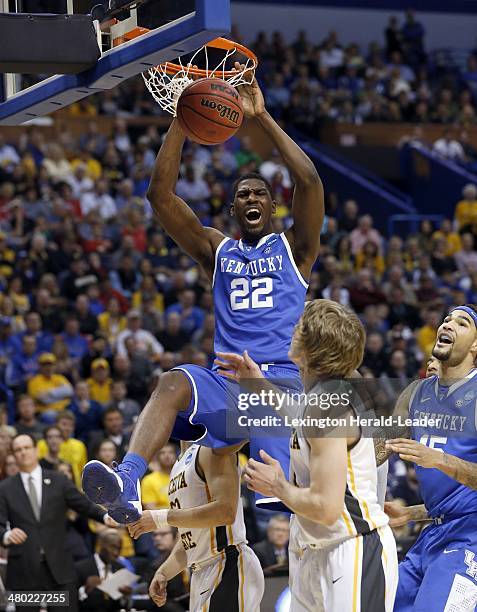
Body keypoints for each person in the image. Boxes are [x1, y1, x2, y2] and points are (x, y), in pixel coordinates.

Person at [82, 72, 323, 522]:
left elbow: (308, 180)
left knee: (283, 510)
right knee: (172, 381)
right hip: (228, 385)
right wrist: (183, 118)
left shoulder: (296, 249)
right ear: (233, 209)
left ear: (272, 207)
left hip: (278, 387)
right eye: (241, 194)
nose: (251, 197)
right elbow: (159, 195)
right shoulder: (217, 250)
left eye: (260, 193)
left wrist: (263, 117)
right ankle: (128, 481)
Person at [217, 299, 398, 611]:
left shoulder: (330, 407)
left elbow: (327, 508)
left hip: (353, 547)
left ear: (312, 349)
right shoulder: (320, 399)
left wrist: (278, 487)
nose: (293, 329)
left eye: (300, 326)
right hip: (313, 550)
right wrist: (258, 384)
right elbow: (300, 417)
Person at [384, 304, 477, 611]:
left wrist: (439, 460)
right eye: (447, 319)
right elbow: (377, 451)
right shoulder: (414, 393)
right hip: (433, 533)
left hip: (470, 539)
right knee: (381, 603)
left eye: (462, 323)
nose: (448, 324)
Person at [127, 442, 264, 612]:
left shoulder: (212, 448)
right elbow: (191, 535)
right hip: (200, 571)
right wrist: (164, 572)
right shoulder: (178, 464)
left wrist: (159, 517)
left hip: (227, 562)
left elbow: (225, 512)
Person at [0, 434, 116, 612]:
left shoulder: (59, 480)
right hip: (24, 570)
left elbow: (82, 504)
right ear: (13, 455)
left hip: (59, 568)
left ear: (36, 450)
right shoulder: (5, 488)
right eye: (18, 450)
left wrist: (105, 517)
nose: (23, 453)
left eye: (26, 448)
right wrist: (6, 536)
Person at [75, 528, 132, 612]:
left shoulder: (120, 569)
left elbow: (122, 605)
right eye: (113, 547)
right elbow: (69, 600)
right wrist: (85, 589)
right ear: (101, 545)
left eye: (119, 549)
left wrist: (125, 596)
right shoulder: (81, 568)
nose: (116, 553)